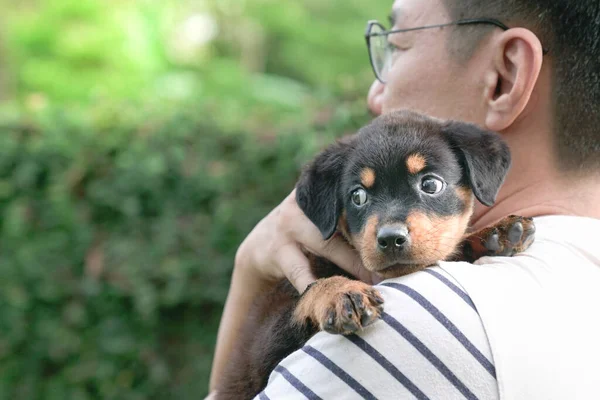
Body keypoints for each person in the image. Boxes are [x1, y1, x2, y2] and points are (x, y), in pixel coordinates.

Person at [208, 0, 600, 398]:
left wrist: (250, 280)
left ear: (504, 75)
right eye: (359, 195)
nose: (374, 94)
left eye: (396, 45)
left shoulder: (397, 330)